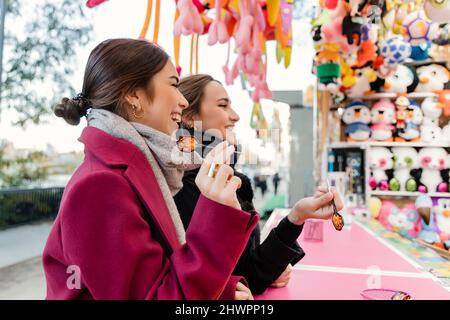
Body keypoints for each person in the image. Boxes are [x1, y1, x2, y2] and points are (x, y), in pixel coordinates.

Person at [42, 39, 260, 300]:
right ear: (134, 96)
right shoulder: (100, 185)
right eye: (173, 84)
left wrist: (223, 291)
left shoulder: (140, 169)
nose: (182, 100)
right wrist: (216, 211)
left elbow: (151, 280)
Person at [174, 74, 344, 294]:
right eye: (223, 105)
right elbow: (195, 282)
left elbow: (250, 272)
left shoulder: (235, 181)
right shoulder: (180, 187)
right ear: (189, 117)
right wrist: (230, 289)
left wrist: (296, 217)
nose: (235, 116)